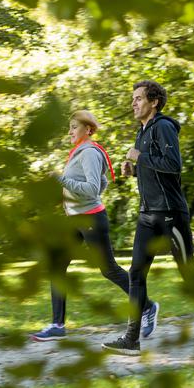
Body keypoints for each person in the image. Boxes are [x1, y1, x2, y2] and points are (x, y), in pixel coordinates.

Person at [101, 80, 194, 355]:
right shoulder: (142, 131)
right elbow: (153, 168)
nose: (133, 103)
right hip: (148, 215)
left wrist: (140, 157)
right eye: (132, 99)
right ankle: (131, 339)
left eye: (138, 98)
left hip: (171, 214)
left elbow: (174, 165)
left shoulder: (164, 127)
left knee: (189, 272)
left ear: (154, 102)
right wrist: (133, 170)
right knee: (136, 274)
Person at [32, 110, 159, 341]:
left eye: (74, 127)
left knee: (108, 269)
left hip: (90, 219)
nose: (70, 131)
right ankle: (57, 325)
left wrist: (61, 179)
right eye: (69, 127)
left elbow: (92, 188)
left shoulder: (89, 152)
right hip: (77, 218)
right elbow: (101, 182)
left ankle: (147, 306)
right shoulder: (82, 151)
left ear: (88, 130)